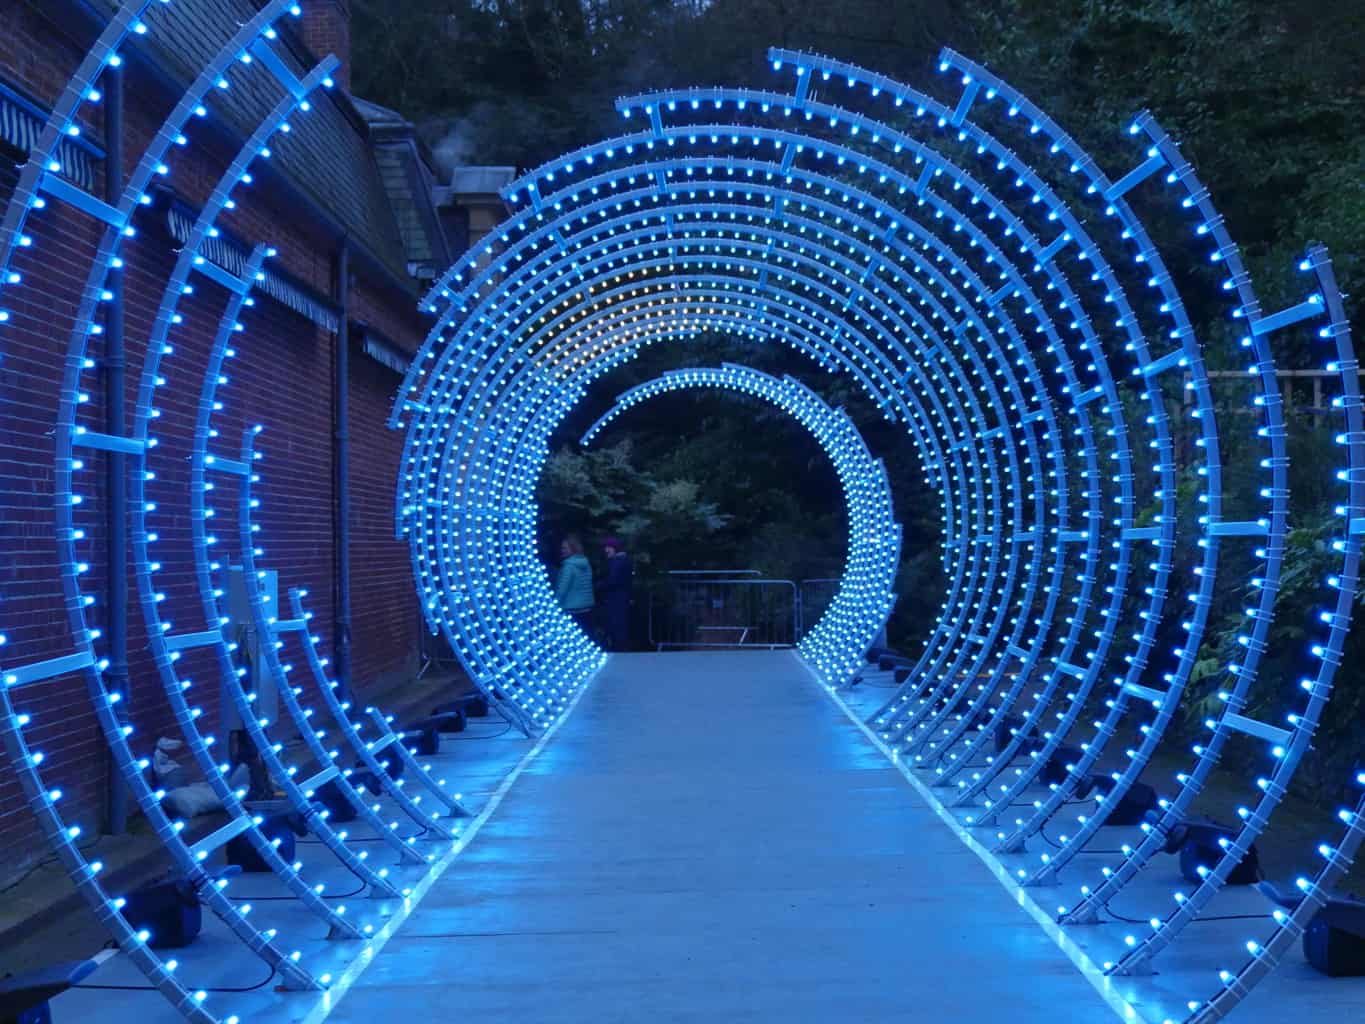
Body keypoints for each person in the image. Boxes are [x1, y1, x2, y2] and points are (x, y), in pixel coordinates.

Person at [554, 534, 594, 633]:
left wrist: (554, 606)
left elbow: (562, 590)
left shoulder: (568, 566)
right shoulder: (585, 563)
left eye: (564, 548)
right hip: (586, 608)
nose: (562, 550)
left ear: (573, 549)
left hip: (571, 609)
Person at [600, 536, 633, 651]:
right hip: (622, 597)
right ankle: (622, 648)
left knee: (616, 624)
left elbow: (612, 581)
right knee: (621, 624)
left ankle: (618, 649)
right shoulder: (625, 560)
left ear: (615, 548)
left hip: (615, 598)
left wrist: (599, 586)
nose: (606, 550)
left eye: (608, 547)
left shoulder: (617, 562)